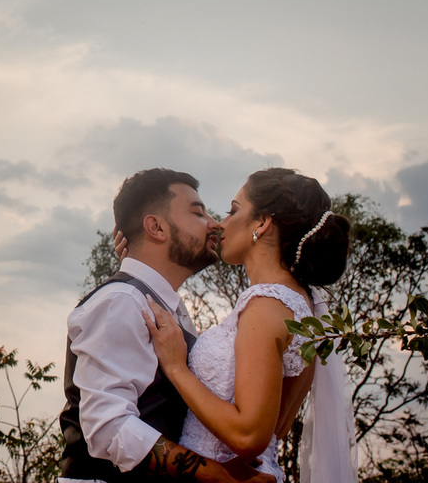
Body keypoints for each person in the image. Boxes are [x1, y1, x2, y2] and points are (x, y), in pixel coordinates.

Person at [141, 168, 357, 483]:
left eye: (234, 210)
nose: (221, 223)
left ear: (262, 222)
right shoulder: (303, 307)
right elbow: (278, 427)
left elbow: (250, 436)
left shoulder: (264, 308)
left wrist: (177, 369)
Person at [58, 168, 274, 482]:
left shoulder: (162, 305)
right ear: (156, 227)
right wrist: (220, 477)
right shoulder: (120, 301)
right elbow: (108, 428)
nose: (214, 224)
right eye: (198, 213)